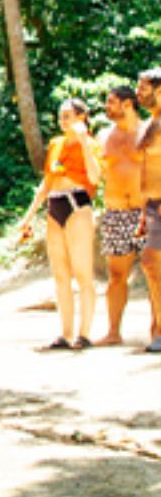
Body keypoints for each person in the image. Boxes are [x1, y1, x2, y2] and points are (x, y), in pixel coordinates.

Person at [15, 99, 102, 350]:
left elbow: (95, 176)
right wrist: (29, 216)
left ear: (81, 117)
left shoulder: (91, 145)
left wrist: (84, 141)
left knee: (83, 272)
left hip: (78, 203)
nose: (64, 121)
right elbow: (47, 183)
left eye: (69, 116)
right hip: (55, 204)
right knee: (60, 274)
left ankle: (84, 333)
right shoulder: (55, 144)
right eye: (61, 116)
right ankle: (65, 333)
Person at [95, 86, 145, 346]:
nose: (106, 107)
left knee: (156, 275)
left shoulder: (150, 131)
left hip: (146, 210)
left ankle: (157, 330)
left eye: (111, 102)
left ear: (128, 104)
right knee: (116, 276)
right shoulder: (104, 135)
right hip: (116, 212)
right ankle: (113, 331)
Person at [136, 68, 161, 353]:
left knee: (152, 263)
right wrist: (144, 211)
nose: (139, 92)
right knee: (153, 267)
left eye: (144, 88)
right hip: (152, 205)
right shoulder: (151, 123)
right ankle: (156, 328)